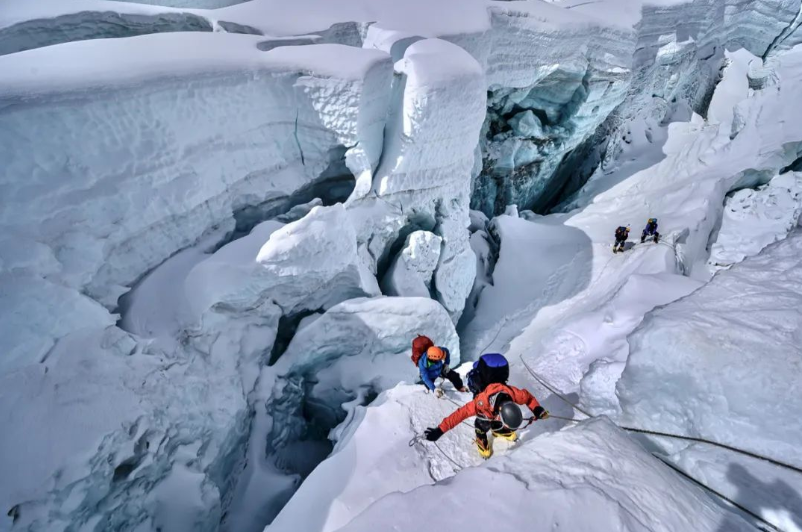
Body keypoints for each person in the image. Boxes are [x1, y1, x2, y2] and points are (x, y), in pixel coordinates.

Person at [424, 354, 549, 458]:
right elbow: (459, 415)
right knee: (482, 424)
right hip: (486, 409)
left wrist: (537, 409)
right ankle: (481, 438)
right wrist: (440, 430)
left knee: (498, 421)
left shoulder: (513, 393)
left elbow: (528, 398)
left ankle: (500, 430)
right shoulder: (480, 403)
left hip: (496, 408)